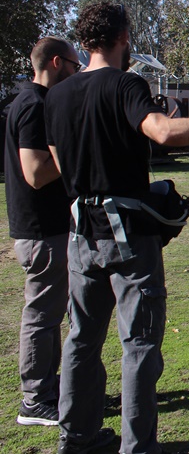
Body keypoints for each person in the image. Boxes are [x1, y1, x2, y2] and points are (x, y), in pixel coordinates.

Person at [44, 2, 189, 454]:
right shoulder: (127, 84)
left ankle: (75, 440)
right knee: (139, 346)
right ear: (124, 37)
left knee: (81, 341)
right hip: (127, 238)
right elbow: (164, 133)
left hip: (79, 234)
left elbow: (57, 160)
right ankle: (139, 447)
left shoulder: (57, 94)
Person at [5, 37, 81, 427]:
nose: (77, 71)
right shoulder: (33, 106)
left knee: (51, 315)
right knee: (41, 316)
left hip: (48, 228)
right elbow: (35, 173)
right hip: (41, 230)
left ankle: (49, 389)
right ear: (55, 62)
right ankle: (34, 400)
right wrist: (75, 153)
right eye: (74, 64)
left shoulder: (34, 102)